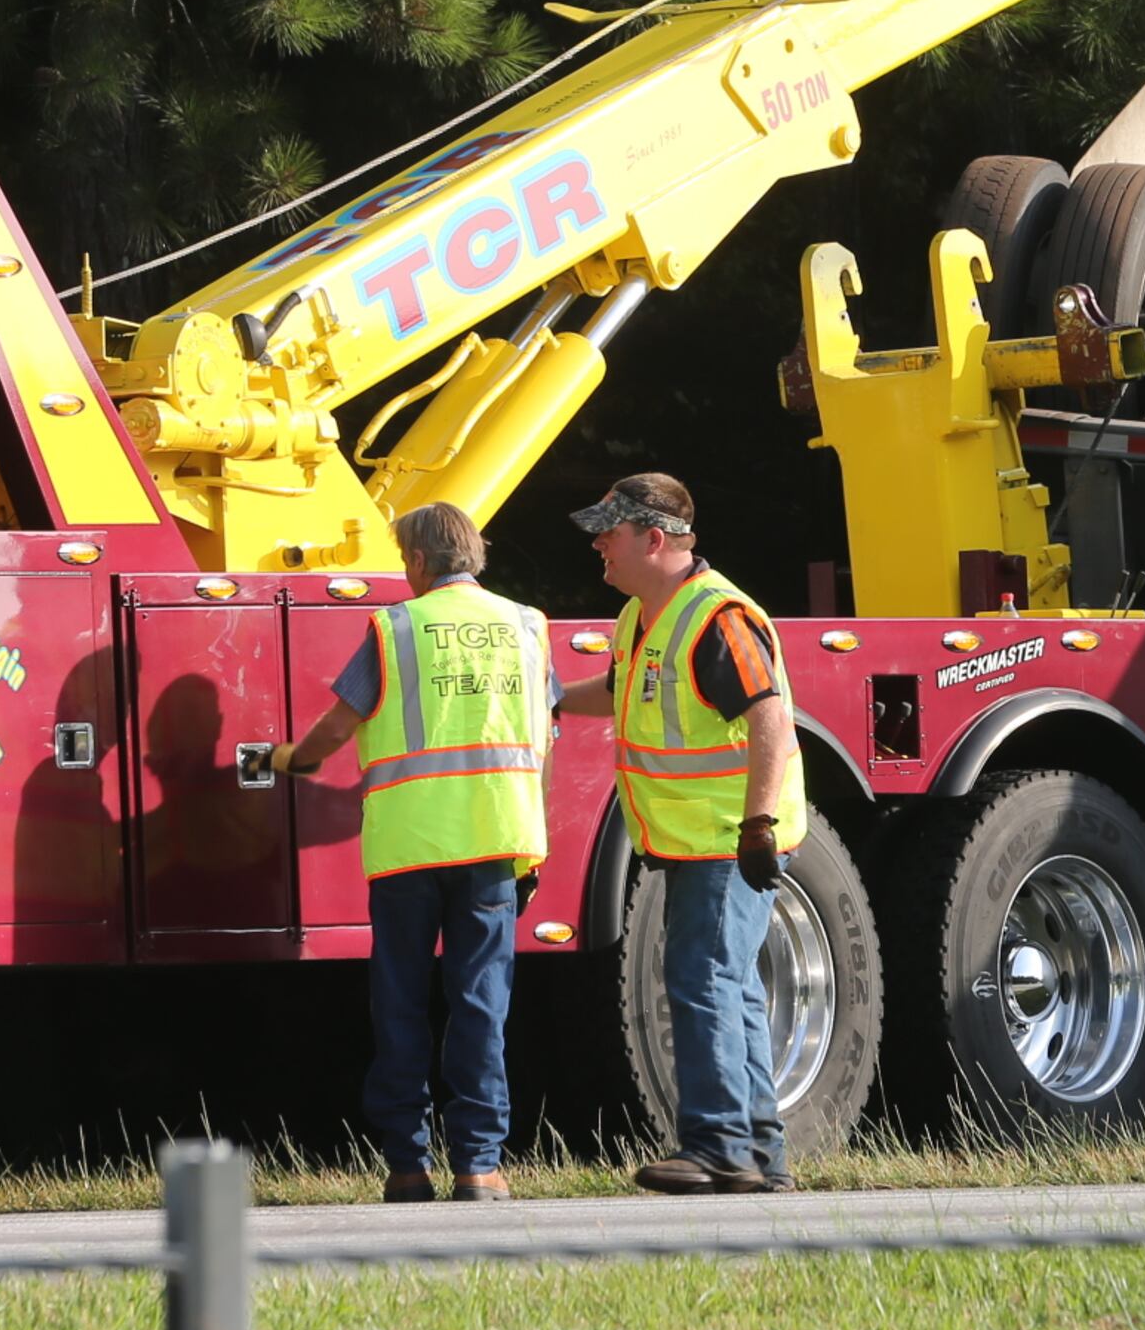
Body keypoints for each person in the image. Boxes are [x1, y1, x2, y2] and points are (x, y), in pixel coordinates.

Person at [280, 500, 550, 1204]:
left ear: (421, 562)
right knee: (480, 1003)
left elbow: (340, 725)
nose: (403, 573)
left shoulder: (396, 627)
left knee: (400, 1004)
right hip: (495, 841)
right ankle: (480, 1167)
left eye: (404, 560)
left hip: (409, 849)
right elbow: (538, 727)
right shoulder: (527, 626)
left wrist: (293, 759)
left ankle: (407, 1167)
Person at [554, 471, 805, 1195]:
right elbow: (619, 689)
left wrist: (757, 824)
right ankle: (758, 1157)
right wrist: (553, 697)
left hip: (727, 842)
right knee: (728, 987)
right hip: (696, 842)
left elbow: (771, 721)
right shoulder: (645, 617)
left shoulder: (717, 616)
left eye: (611, 530)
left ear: (654, 539)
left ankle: (719, 1146)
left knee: (704, 982)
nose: (598, 543)